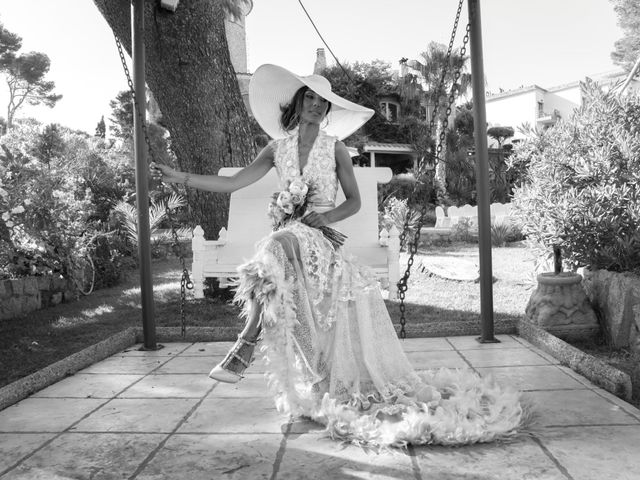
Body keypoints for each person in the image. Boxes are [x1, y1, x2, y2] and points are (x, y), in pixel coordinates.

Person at [150, 64, 530, 448]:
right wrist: (180, 177)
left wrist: (325, 215)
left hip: (320, 242)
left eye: (322, 101)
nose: (315, 105)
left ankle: (244, 345)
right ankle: (250, 345)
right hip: (291, 241)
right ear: (297, 104)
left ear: (327, 109)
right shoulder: (275, 149)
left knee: (273, 248)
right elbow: (232, 182)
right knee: (273, 252)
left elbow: (355, 201)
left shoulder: (335, 149)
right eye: (309, 98)